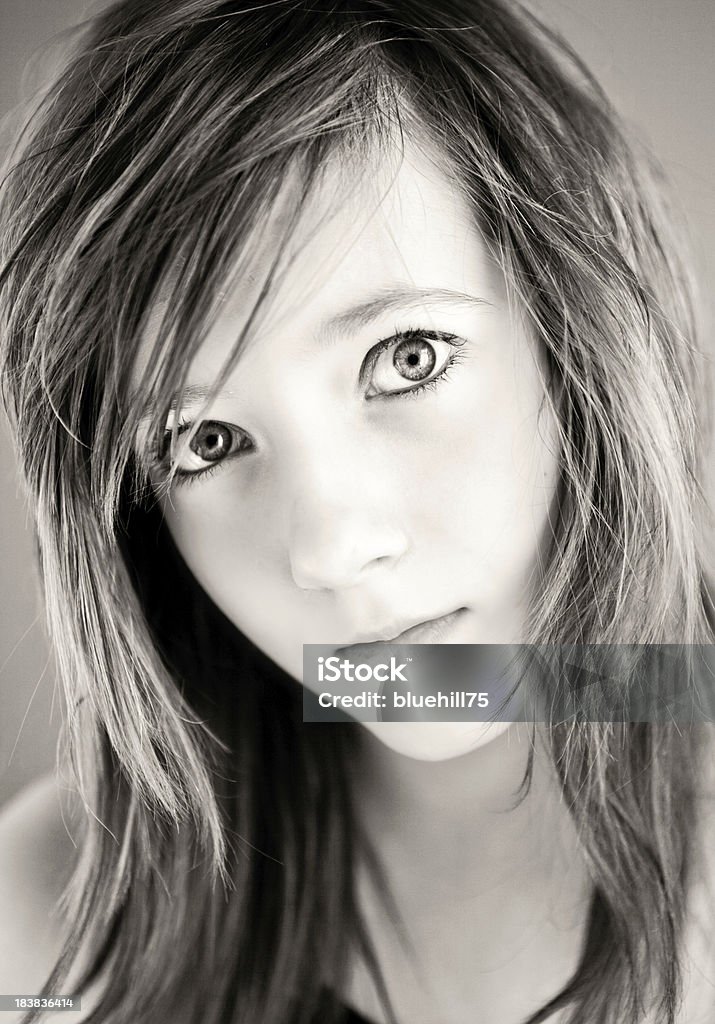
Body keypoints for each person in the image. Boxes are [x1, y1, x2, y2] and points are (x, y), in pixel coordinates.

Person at [0, 1, 713, 1022]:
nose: (331, 549)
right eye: (203, 442)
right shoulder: (53, 919)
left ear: (576, 322)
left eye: (405, 358)